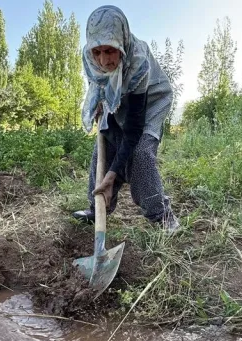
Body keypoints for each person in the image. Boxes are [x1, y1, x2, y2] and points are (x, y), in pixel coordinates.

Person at [72, 5, 179, 233]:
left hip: (149, 100)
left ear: (121, 42)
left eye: (109, 51)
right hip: (115, 97)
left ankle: (161, 213)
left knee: (140, 154)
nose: (103, 60)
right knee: (104, 148)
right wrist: (100, 100)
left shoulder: (138, 61)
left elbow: (133, 128)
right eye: (97, 52)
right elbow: (98, 82)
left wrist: (113, 175)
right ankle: (98, 208)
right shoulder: (89, 57)